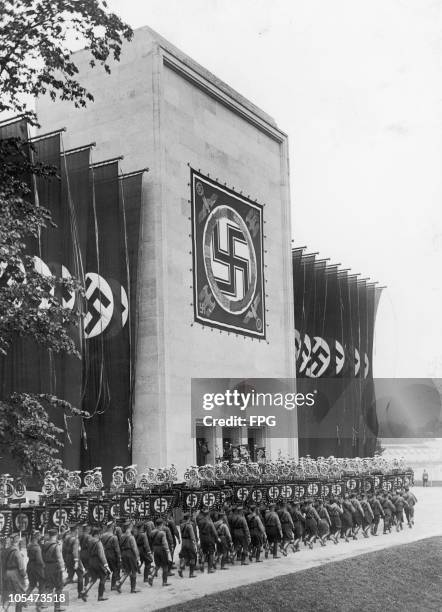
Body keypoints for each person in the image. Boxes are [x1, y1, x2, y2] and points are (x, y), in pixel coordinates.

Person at [81, 527, 110, 602]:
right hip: (98, 562)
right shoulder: (98, 542)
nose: (101, 535)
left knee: (93, 578)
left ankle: (84, 591)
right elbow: (101, 555)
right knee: (103, 577)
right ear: (97, 534)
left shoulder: (89, 541)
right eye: (100, 534)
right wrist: (106, 564)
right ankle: (100, 596)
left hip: (91, 561)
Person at [41, 529, 65, 612]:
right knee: (59, 587)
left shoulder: (44, 544)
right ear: (56, 535)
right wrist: (62, 568)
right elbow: (59, 558)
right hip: (56, 568)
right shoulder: (56, 545)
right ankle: (57, 607)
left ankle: (40, 603)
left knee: (49, 587)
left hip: (47, 567)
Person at [3, 533, 26, 612]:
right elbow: (21, 566)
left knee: (9, 592)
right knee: (19, 593)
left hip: (7, 573)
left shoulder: (7, 550)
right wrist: (24, 574)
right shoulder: (16, 552)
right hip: (15, 574)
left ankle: (5, 608)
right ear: (17, 542)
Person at [62, 523, 84, 598]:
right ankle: (80, 593)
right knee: (80, 575)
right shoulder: (75, 539)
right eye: (77, 529)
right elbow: (75, 551)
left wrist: (65, 560)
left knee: (70, 577)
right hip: (74, 559)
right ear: (75, 530)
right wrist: (76, 562)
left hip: (68, 558)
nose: (78, 530)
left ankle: (60, 585)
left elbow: (63, 550)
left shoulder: (66, 538)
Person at [119, 521, 140, 593]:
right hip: (130, 554)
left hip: (124, 554)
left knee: (127, 571)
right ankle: (133, 589)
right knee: (133, 571)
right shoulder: (131, 537)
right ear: (130, 527)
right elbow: (134, 548)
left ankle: (119, 583)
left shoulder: (122, 536)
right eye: (131, 526)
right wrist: (138, 558)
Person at [150, 518, 172, 587]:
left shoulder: (152, 532)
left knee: (157, 565)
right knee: (165, 566)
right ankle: (164, 582)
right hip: (162, 549)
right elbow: (165, 543)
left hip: (155, 549)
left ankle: (151, 576)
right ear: (161, 524)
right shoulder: (162, 533)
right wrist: (168, 551)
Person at [100, 521, 122, 591]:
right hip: (112, 555)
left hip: (105, 554)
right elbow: (117, 549)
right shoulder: (114, 537)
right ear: (112, 527)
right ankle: (113, 586)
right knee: (115, 570)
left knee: (106, 571)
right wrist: (119, 558)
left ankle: (102, 586)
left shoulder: (102, 536)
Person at [198, 507, 220, 573]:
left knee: (204, 552)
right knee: (211, 553)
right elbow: (214, 531)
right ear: (208, 514)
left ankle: (202, 563)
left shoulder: (200, 521)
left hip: (202, 538)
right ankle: (209, 569)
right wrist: (217, 538)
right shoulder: (210, 522)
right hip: (209, 538)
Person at [26, 530, 45, 603]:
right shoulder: (37, 547)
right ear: (37, 537)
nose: (41, 536)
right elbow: (39, 560)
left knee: (31, 585)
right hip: (37, 567)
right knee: (42, 584)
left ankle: (22, 600)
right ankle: (40, 602)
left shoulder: (29, 545)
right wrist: (44, 566)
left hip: (30, 565)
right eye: (39, 535)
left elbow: (28, 555)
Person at [178, 512, 198, 578]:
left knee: (186, 557)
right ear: (189, 518)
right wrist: (195, 544)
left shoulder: (181, 525)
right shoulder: (189, 525)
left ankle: (181, 568)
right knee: (193, 557)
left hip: (184, 542)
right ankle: (191, 574)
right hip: (189, 542)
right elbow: (192, 536)